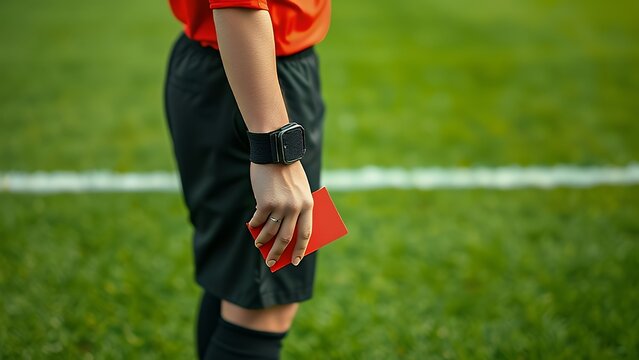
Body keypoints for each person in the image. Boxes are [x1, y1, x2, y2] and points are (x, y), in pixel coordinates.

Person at [164, 0, 331, 358]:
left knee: (237, 289)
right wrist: (274, 149)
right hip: (260, 80)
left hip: (236, 66)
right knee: (264, 309)